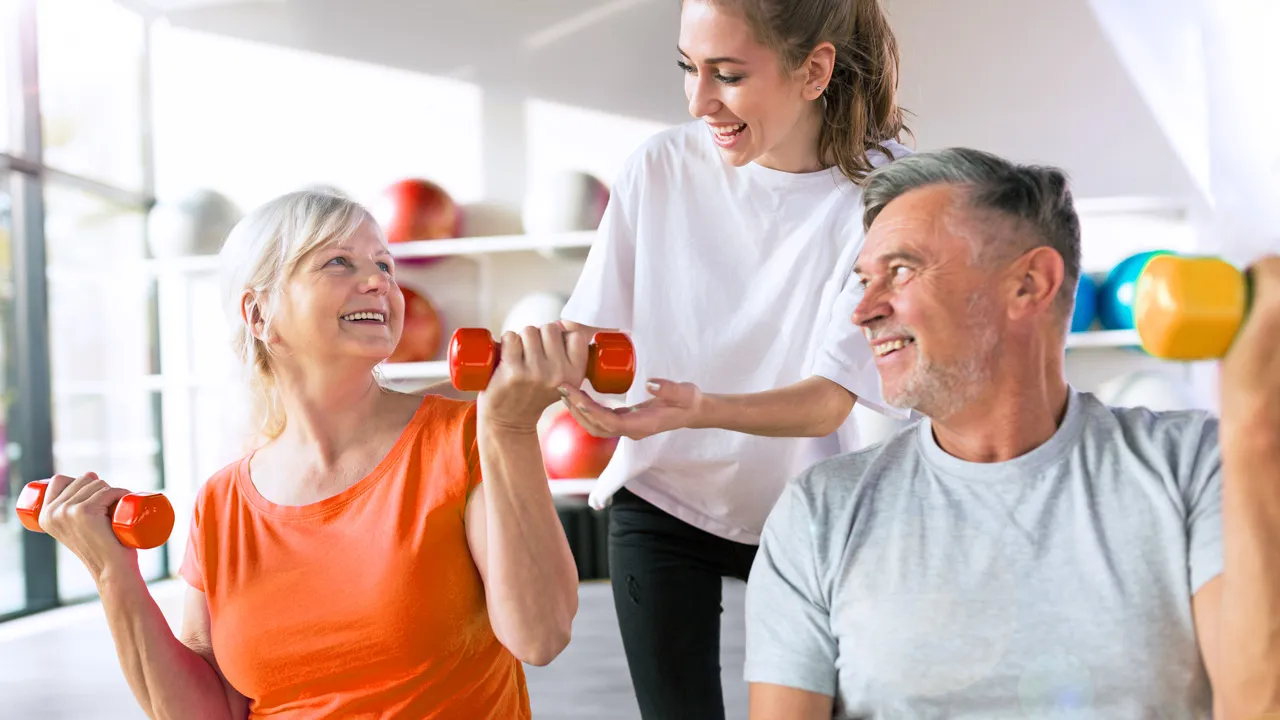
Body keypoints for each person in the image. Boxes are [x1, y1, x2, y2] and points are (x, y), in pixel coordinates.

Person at [743, 147, 1280, 719]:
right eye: (864, 280)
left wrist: (1255, 421)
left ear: (1029, 283)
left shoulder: (1197, 466)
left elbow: (1257, 707)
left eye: (900, 270)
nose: (864, 310)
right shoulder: (820, 511)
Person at [34, 190, 581, 719]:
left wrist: (508, 427)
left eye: (385, 265)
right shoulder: (222, 504)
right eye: (339, 262)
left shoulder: (466, 441)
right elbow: (206, 712)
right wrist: (113, 573)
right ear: (258, 313)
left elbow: (540, 636)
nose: (379, 283)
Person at [555, 0, 912, 716]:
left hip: (802, 514)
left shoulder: (882, 194)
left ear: (814, 70)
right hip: (663, 498)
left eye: (727, 74)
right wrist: (546, 366)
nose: (698, 100)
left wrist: (699, 407)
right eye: (689, 68)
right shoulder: (659, 167)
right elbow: (585, 333)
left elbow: (827, 399)